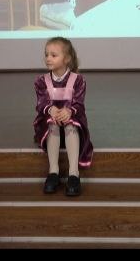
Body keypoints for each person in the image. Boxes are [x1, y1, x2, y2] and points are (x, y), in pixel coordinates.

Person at [33, 37, 94, 196]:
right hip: (50, 123)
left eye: (54, 55)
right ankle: (53, 171)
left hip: (71, 120)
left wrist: (69, 111)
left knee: (70, 124)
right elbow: (41, 103)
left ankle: (74, 173)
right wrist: (51, 110)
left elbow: (79, 104)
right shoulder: (41, 81)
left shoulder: (78, 80)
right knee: (52, 123)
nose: (48, 58)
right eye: (46, 54)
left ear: (66, 59)